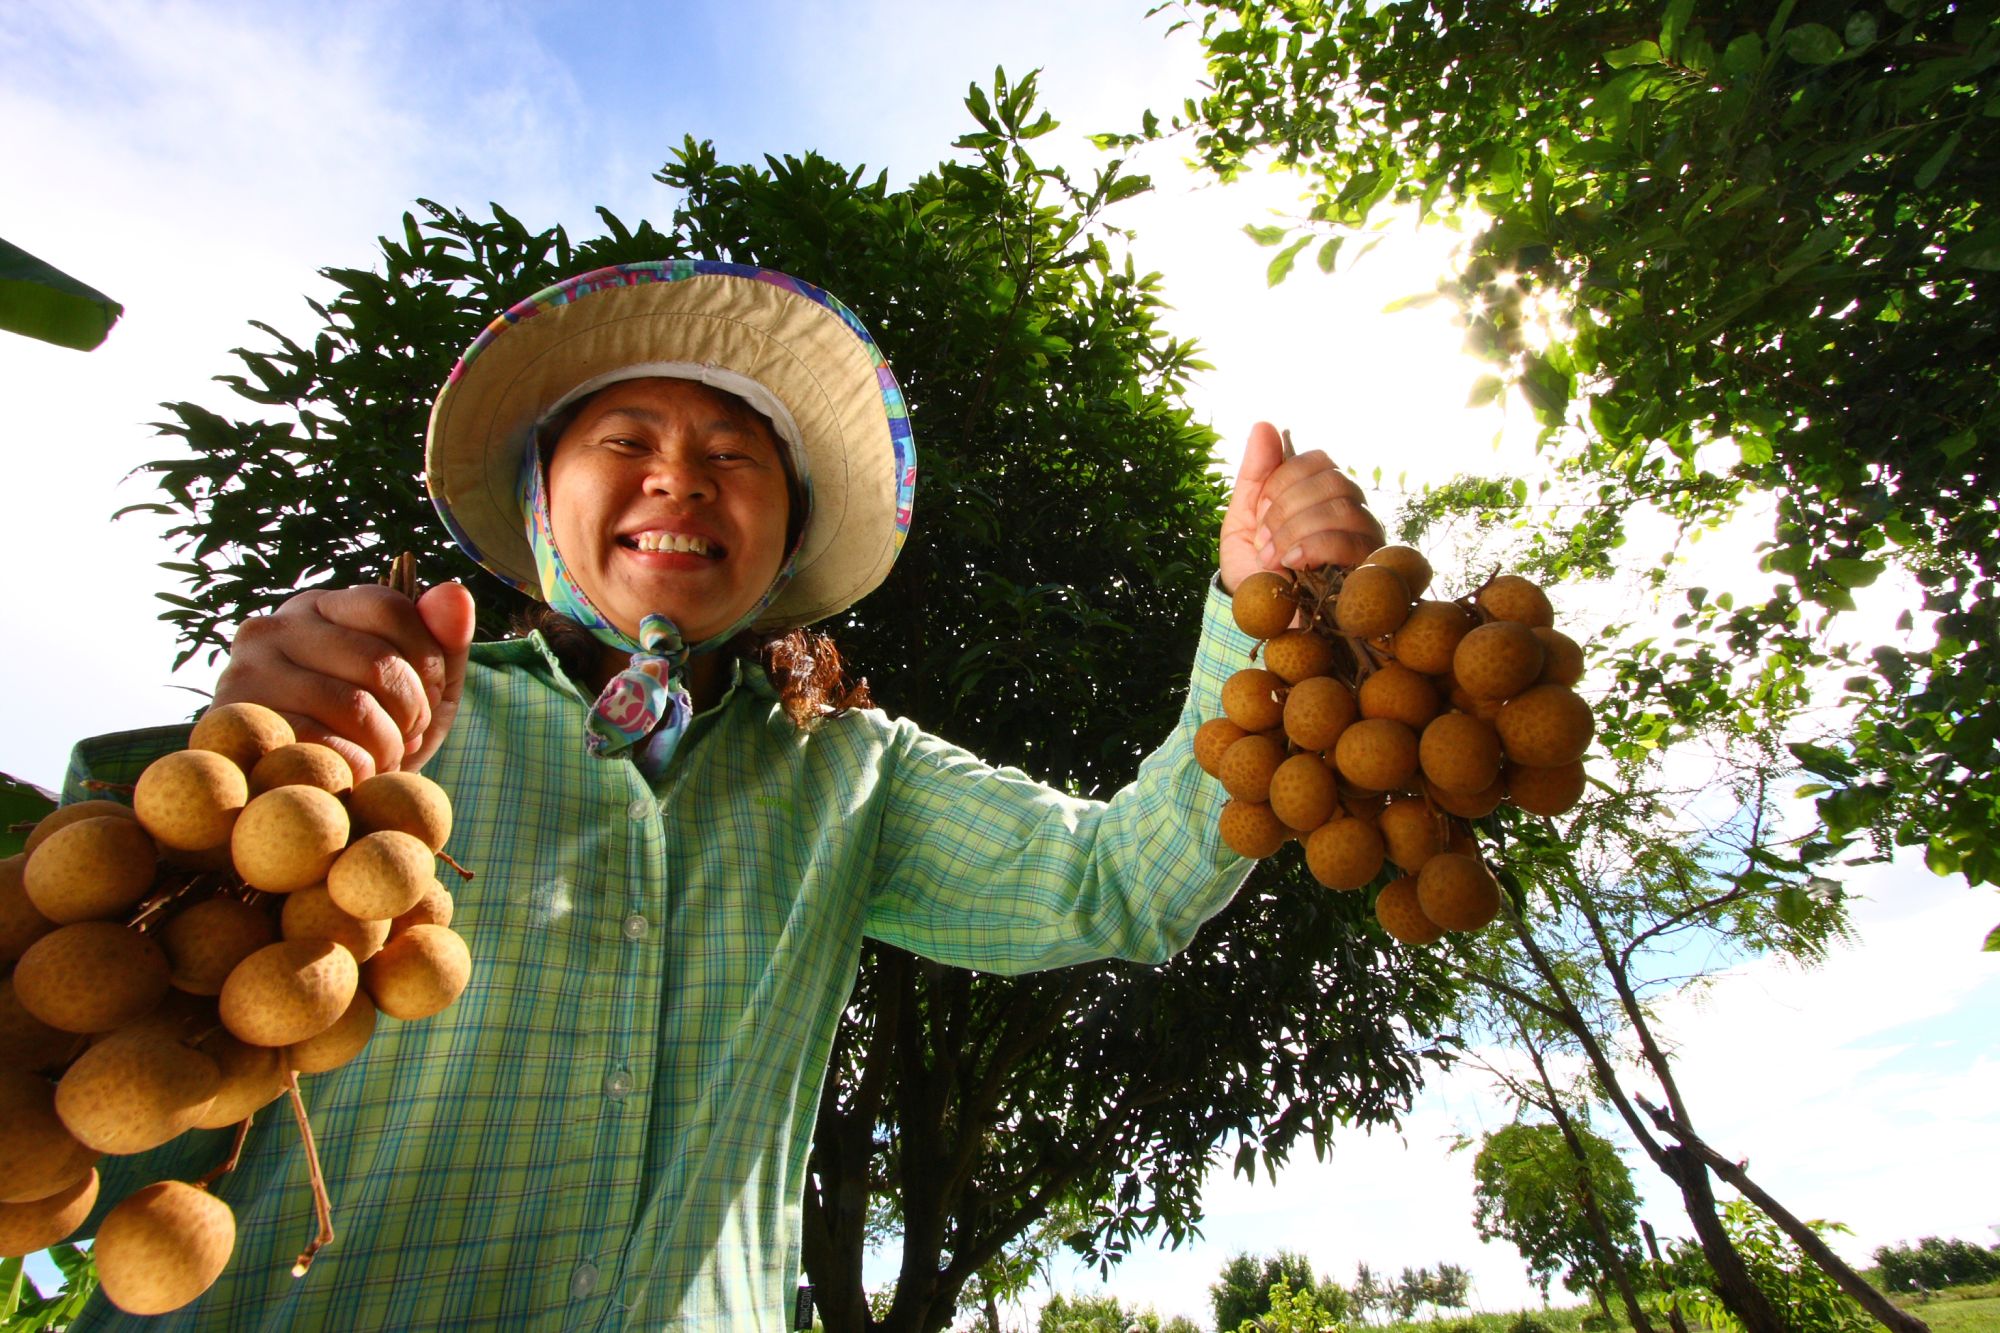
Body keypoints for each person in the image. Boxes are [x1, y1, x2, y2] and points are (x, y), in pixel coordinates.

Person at [60, 261, 1385, 1330]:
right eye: (624, 438)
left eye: (735, 457)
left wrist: (1264, 627)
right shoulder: (396, 710)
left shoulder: (854, 772)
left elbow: (1117, 881)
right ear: (536, 510)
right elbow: (116, 1048)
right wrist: (253, 768)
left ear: (783, 546)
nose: (680, 476)